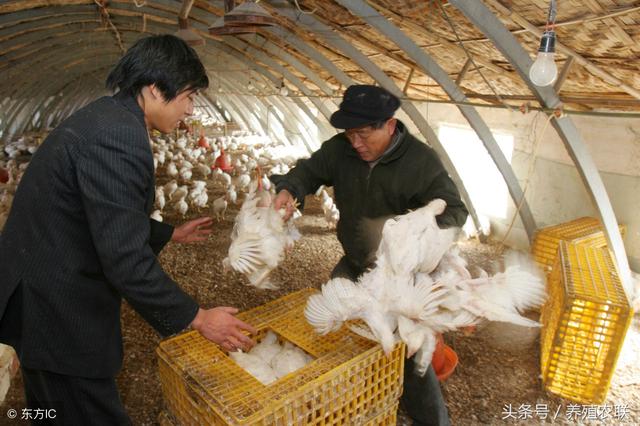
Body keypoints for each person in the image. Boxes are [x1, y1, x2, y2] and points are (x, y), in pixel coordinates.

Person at [0, 35, 255, 424]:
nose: (190, 109)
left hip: (38, 293)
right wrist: (197, 317)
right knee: (87, 411)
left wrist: (168, 234)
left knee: (49, 409)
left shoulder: (107, 117)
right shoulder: (117, 136)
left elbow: (98, 213)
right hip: (56, 308)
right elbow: (123, 256)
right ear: (154, 89)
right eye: (187, 96)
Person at [271, 84, 468, 426]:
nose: (355, 143)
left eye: (363, 134)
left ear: (389, 126)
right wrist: (290, 189)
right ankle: (359, 407)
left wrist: (420, 241)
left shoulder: (420, 162)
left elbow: (453, 210)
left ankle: (433, 421)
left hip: (400, 279)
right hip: (357, 262)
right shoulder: (340, 151)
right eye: (350, 135)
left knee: (408, 354)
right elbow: (308, 170)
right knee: (335, 327)